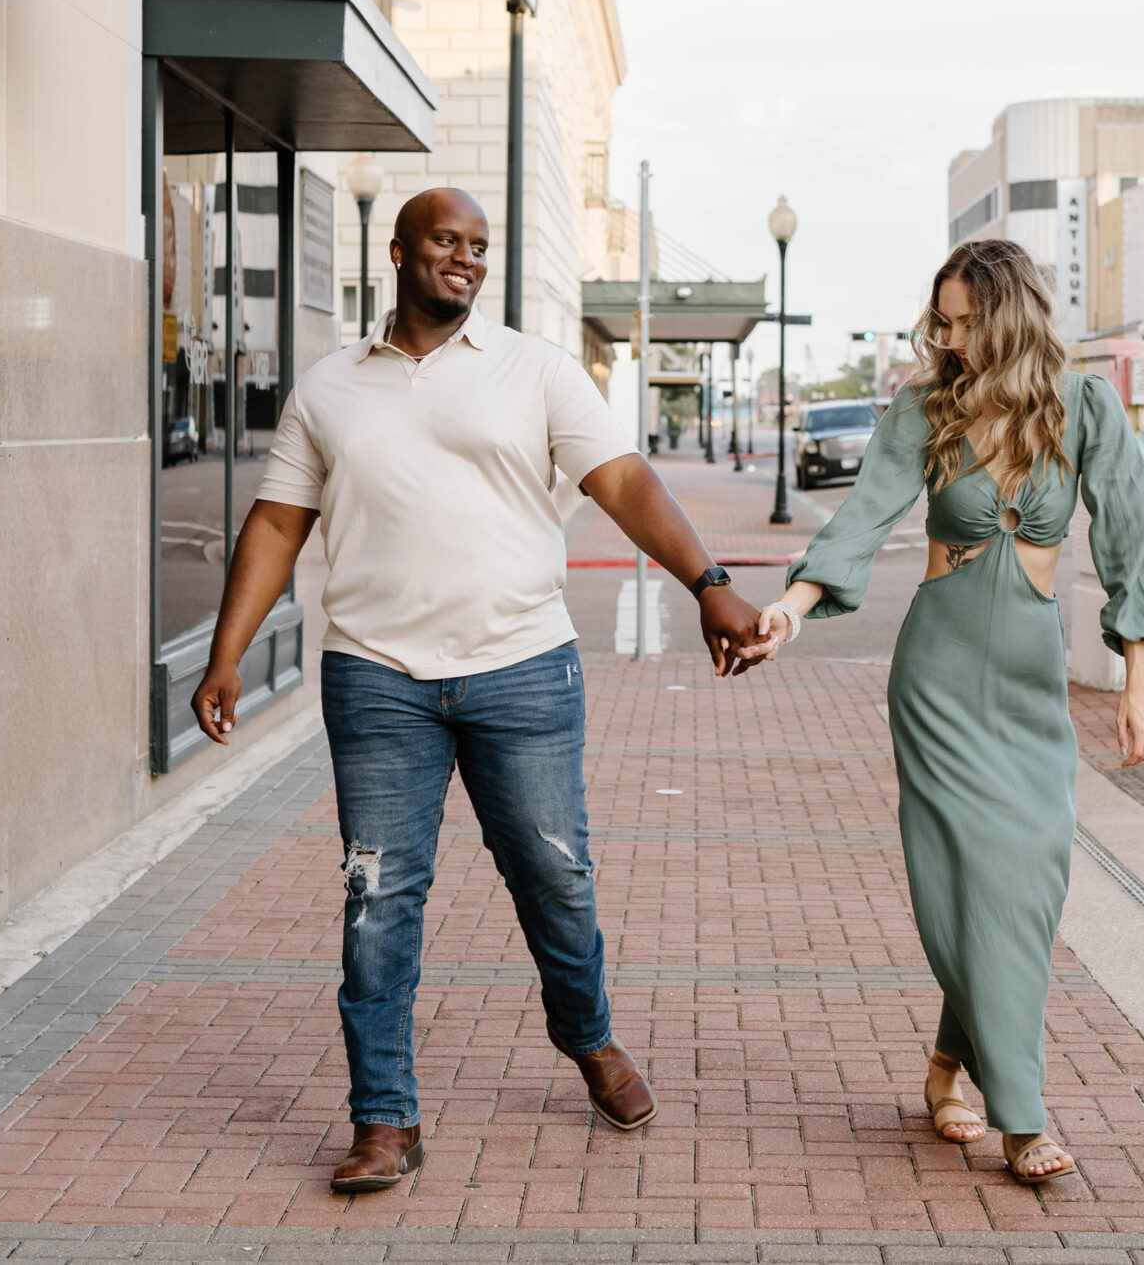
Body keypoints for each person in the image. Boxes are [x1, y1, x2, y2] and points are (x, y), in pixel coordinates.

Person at [190, 187, 768, 1196]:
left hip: (522, 670)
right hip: (375, 679)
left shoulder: (534, 370)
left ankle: (587, 1039)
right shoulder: (329, 389)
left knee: (555, 876)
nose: (464, 258)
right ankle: (383, 1118)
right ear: (399, 251)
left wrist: (707, 584)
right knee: (377, 898)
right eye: (446, 242)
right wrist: (227, 651)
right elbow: (279, 523)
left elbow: (623, 482)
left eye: (478, 247)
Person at [742, 238, 1144, 1186]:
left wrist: (1137, 676)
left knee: (1022, 885)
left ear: (1011, 313)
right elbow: (861, 518)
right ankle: (1023, 1118)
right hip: (937, 680)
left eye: (969, 319)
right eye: (943, 318)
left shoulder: (1085, 406)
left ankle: (946, 1067)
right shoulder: (924, 406)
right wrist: (792, 609)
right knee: (961, 888)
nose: (952, 334)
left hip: (1030, 684)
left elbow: (1133, 543)